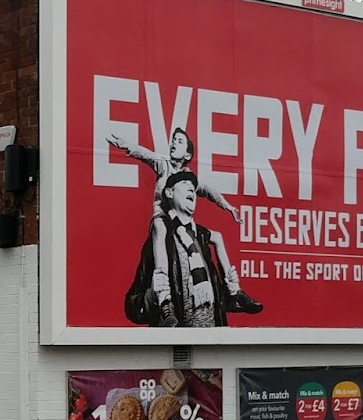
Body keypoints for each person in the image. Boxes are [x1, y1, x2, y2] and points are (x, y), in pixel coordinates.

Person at [110, 128, 261, 313]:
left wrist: (227, 206)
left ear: (188, 154)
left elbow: (208, 190)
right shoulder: (163, 164)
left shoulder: (189, 178)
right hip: (164, 220)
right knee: (159, 226)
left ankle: (233, 291)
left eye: (179, 141)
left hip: (182, 224)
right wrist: (127, 145)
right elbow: (145, 154)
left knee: (217, 237)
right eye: (173, 140)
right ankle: (164, 297)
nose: (173, 143)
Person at [147, 173, 234, 328]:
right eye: (184, 183)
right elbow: (133, 305)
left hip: (211, 336)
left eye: (193, 189)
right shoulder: (161, 233)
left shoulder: (200, 237)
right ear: (169, 193)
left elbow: (216, 297)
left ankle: (236, 293)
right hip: (179, 338)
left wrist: (230, 286)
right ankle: (165, 303)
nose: (191, 189)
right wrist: (152, 296)